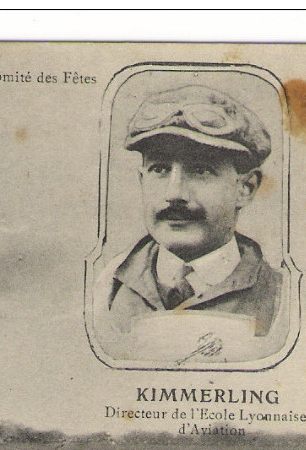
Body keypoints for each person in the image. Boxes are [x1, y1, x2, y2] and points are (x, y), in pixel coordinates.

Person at [95, 85, 286, 362]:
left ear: (245, 188)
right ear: (141, 180)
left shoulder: (283, 299)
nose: (174, 193)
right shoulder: (105, 290)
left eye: (201, 170)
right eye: (159, 169)